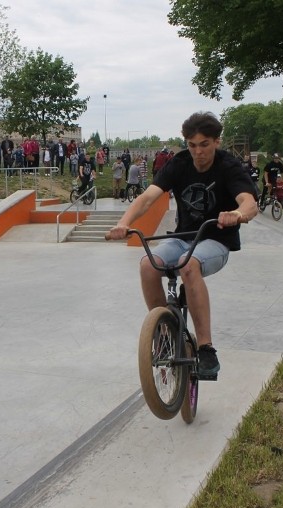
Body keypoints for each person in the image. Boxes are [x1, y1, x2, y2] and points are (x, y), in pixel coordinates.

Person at [106, 112, 257, 376]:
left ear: (217, 142)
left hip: (216, 240)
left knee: (189, 267)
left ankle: (206, 348)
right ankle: (164, 334)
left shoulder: (228, 166)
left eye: (204, 144)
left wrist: (238, 214)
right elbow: (148, 197)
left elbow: (249, 201)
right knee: (147, 265)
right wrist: (124, 223)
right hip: (182, 237)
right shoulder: (179, 163)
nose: (198, 152)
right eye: (192, 145)